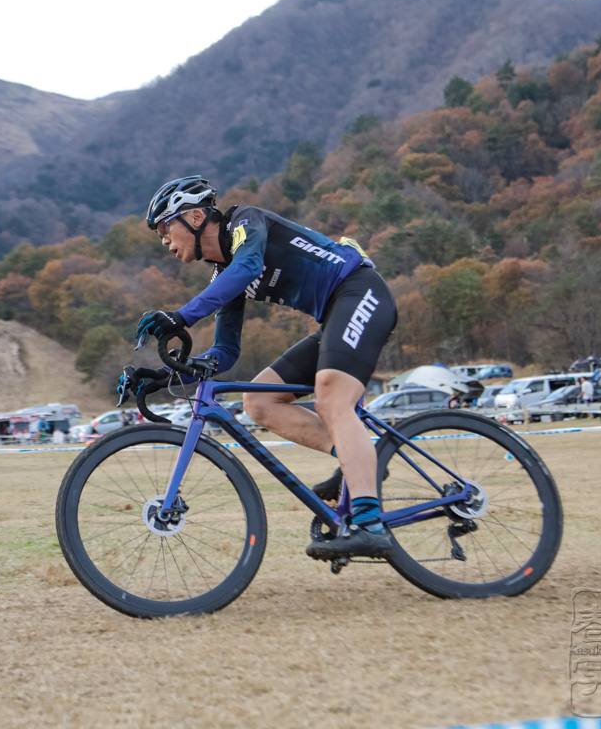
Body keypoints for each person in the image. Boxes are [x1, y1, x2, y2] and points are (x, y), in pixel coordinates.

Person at [124, 176, 398, 559]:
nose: (165, 241)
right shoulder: (224, 274)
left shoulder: (245, 223)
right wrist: (161, 377)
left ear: (197, 216)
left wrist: (182, 317)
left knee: (331, 397)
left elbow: (250, 265)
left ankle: (370, 525)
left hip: (360, 291)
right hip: (335, 314)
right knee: (258, 402)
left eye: (166, 228)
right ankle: (358, 461)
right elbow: (225, 351)